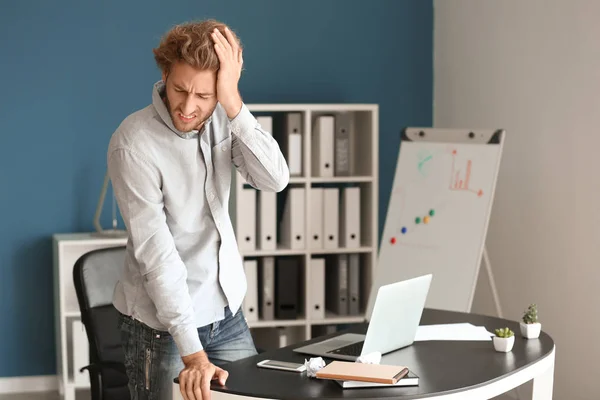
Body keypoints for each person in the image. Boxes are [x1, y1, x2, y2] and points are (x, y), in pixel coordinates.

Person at [107, 19, 289, 400]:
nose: (188, 107)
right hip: (163, 327)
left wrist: (233, 103)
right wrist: (193, 354)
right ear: (165, 74)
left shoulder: (224, 116)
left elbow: (274, 180)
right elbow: (158, 256)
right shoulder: (134, 143)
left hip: (226, 312)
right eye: (179, 89)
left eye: (203, 95)